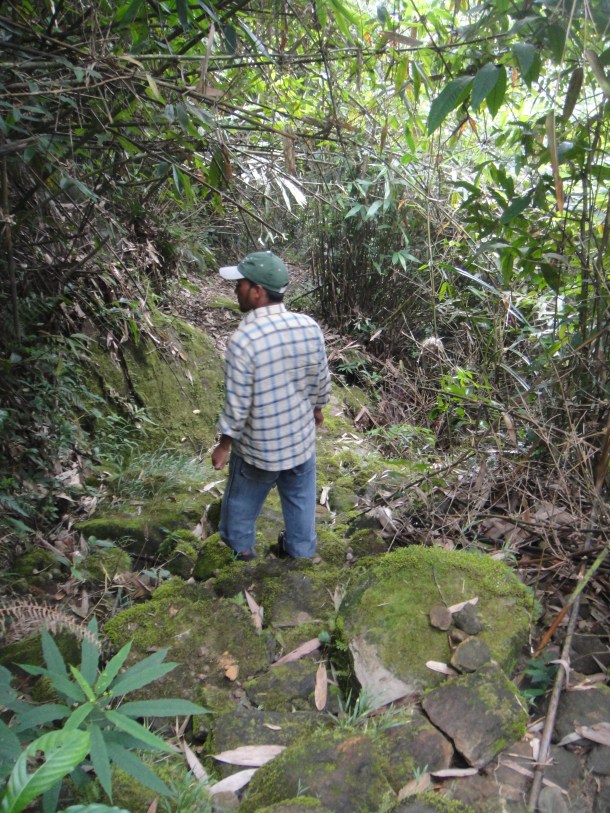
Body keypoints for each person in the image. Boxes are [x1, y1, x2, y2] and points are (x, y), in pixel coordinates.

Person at [211, 251, 331, 561]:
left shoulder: (244, 340)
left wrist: (224, 445)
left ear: (257, 291)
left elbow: (238, 407)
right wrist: (317, 409)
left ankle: (239, 554)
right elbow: (320, 378)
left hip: (259, 452)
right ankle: (300, 554)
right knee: (301, 504)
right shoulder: (308, 326)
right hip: (300, 442)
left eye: (239, 284)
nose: (235, 289)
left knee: (239, 506)